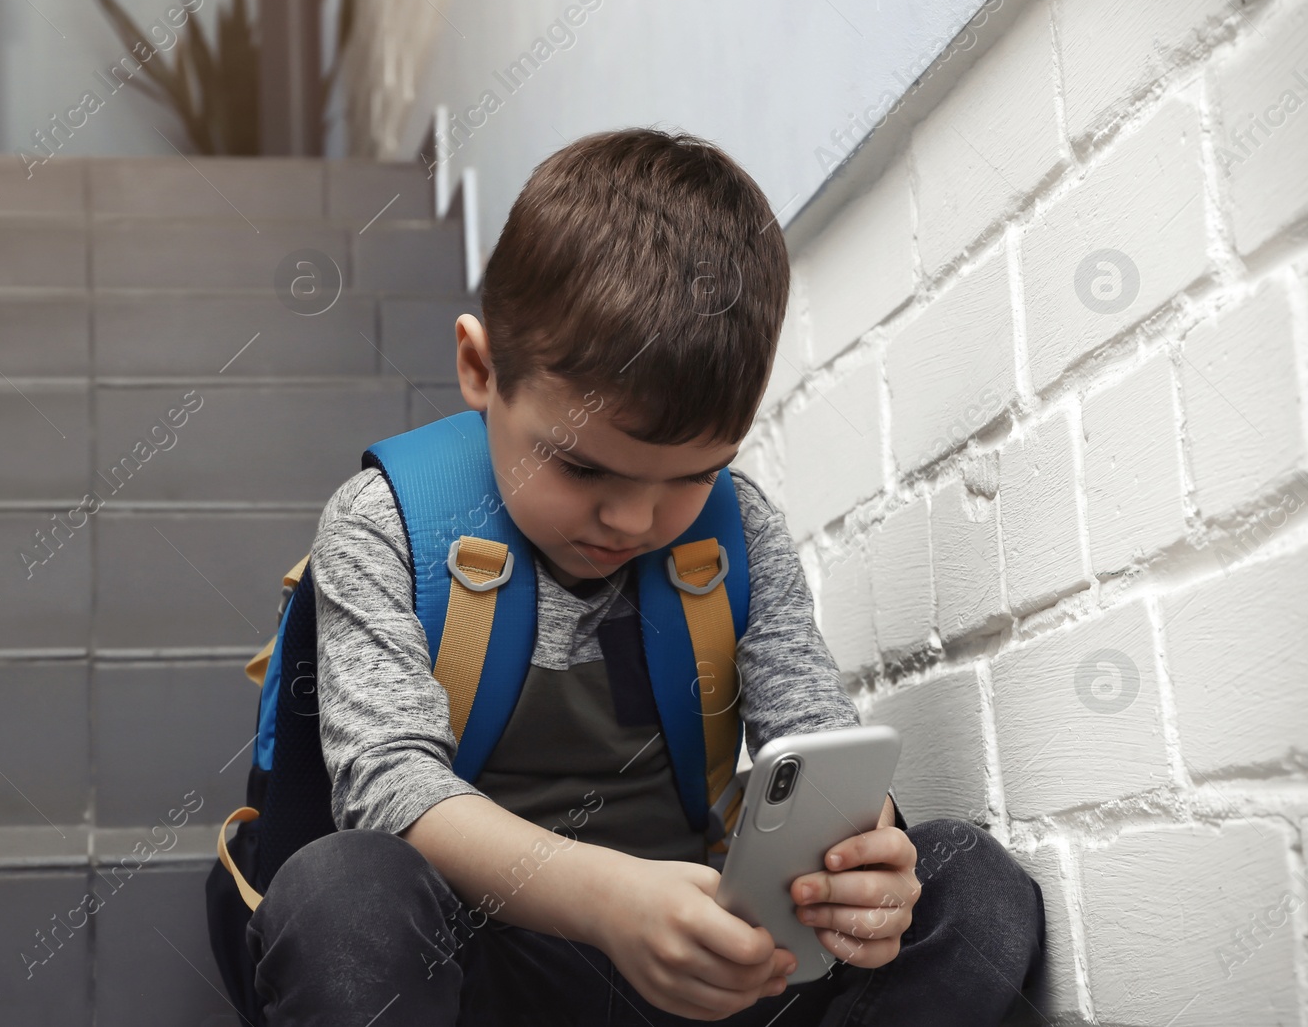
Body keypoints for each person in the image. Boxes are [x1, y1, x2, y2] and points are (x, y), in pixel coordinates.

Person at [244, 128, 1046, 1025]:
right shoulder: (384, 523)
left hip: (697, 965)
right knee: (340, 890)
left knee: (972, 885)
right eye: (582, 469)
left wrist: (868, 860)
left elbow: (814, 747)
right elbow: (387, 788)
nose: (634, 521)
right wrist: (612, 902)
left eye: (691, 476)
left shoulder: (737, 532)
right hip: (478, 972)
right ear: (480, 369)